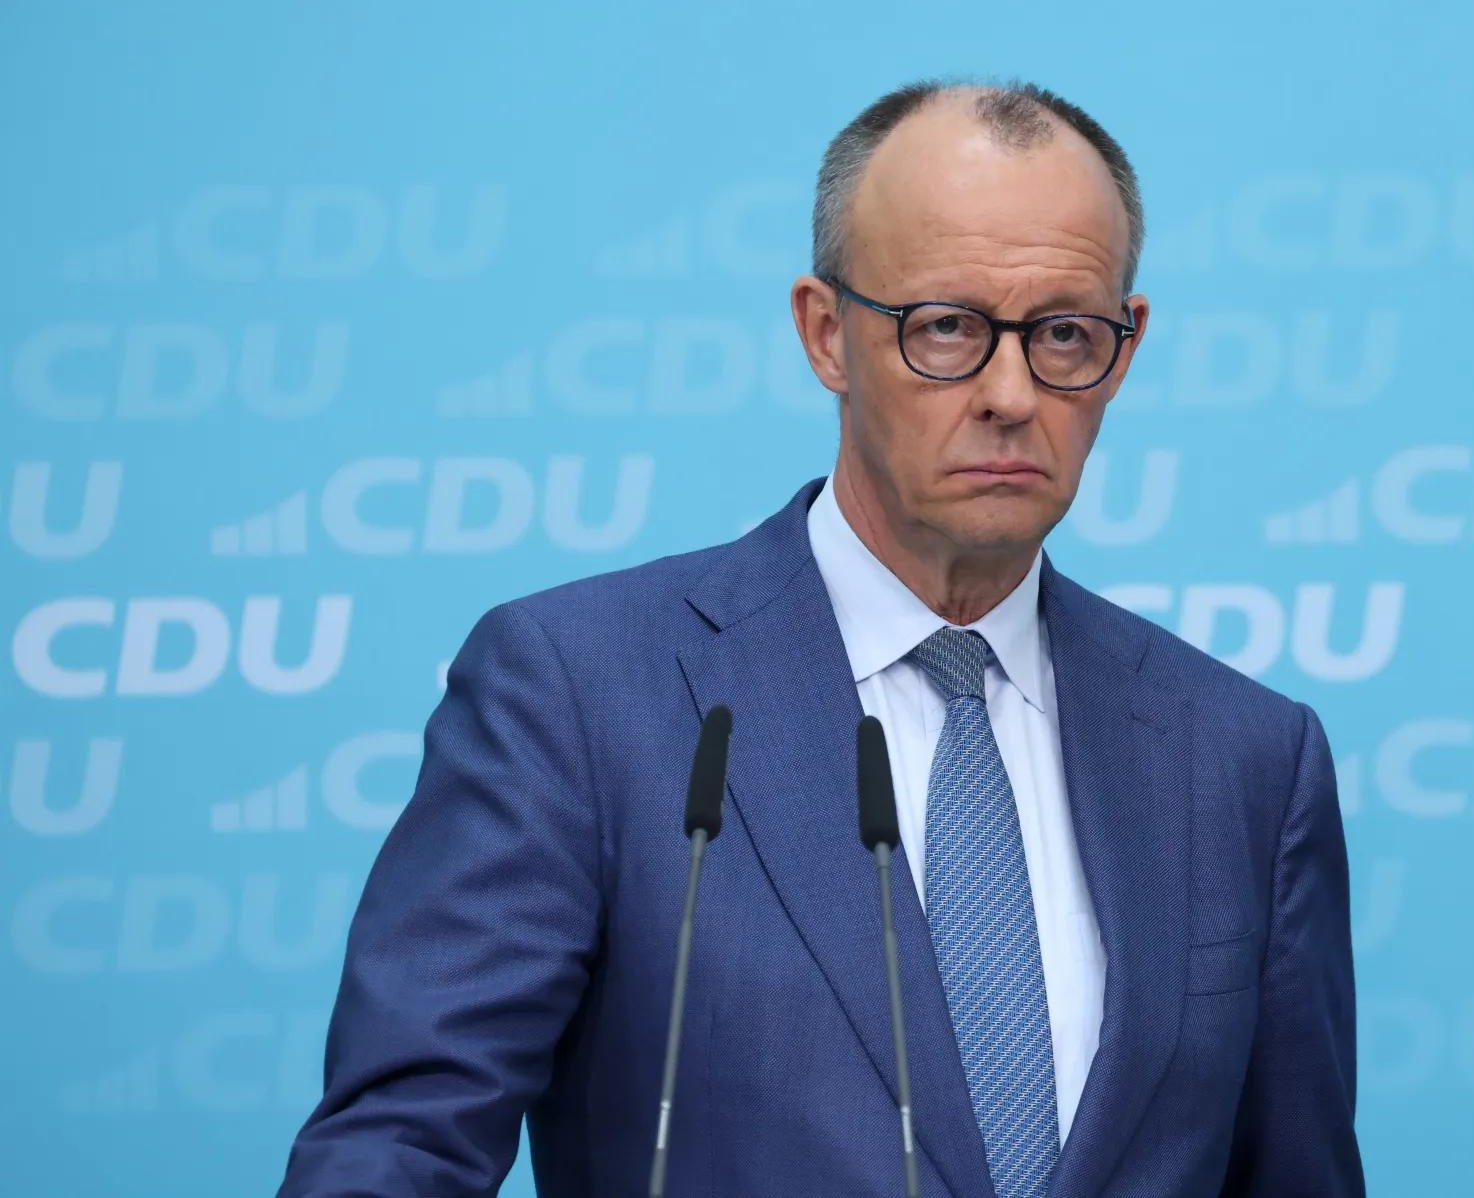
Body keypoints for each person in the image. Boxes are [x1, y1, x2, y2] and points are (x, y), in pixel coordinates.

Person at [278, 81, 1364, 1197]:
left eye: (1063, 334)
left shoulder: (1241, 758)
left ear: (1123, 351)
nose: (1007, 392)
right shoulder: (579, 694)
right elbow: (395, 1148)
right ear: (825, 333)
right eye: (945, 326)